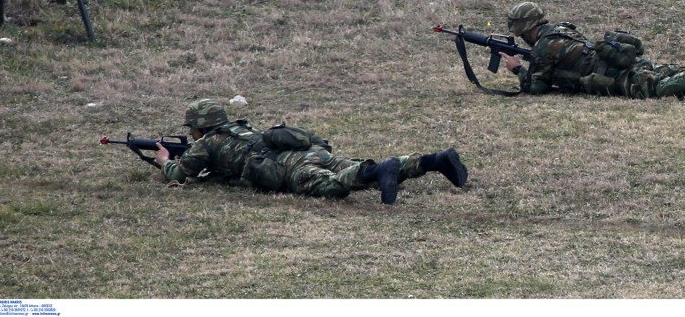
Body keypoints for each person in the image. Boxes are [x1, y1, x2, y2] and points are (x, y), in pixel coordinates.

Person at [154, 99, 468, 205]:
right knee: (344, 165)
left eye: (192, 128)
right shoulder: (242, 128)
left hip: (291, 168)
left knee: (333, 186)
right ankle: (433, 160)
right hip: (311, 153)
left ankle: (376, 170)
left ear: (200, 126)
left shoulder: (206, 143)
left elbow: (181, 174)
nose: (190, 133)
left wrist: (165, 161)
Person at [498, 2, 685, 103]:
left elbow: (537, 87)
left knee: (660, 87)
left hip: (614, 75)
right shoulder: (561, 29)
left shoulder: (543, 47)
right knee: (671, 71)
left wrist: (518, 69)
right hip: (623, 59)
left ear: (526, 29)